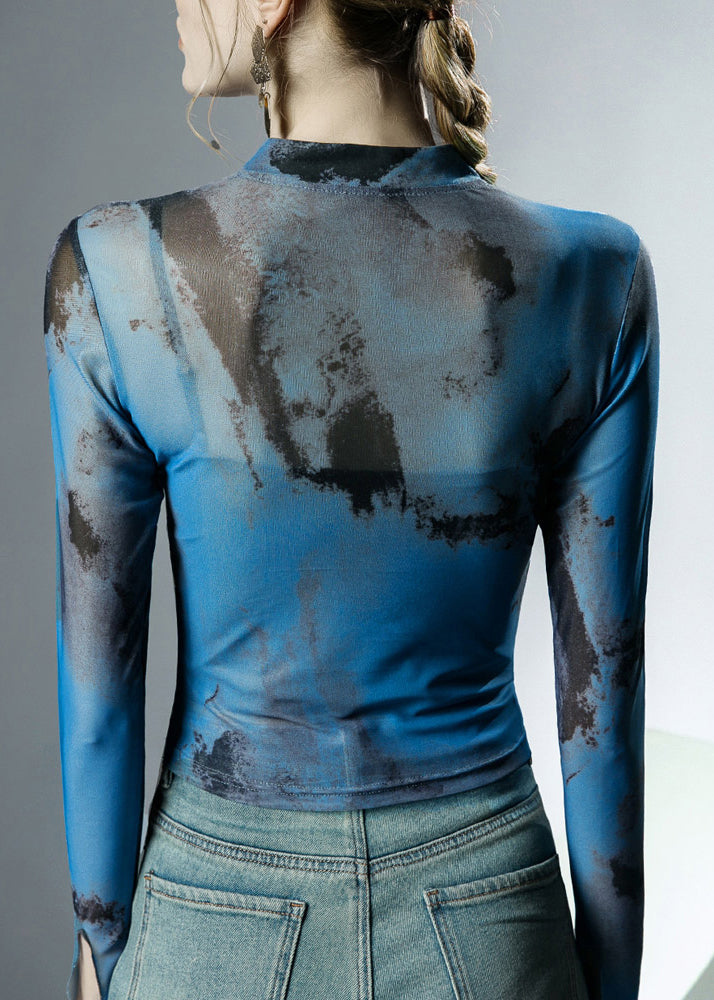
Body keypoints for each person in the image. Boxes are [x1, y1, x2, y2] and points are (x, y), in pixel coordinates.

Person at [42, 0, 659, 998]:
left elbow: (100, 700)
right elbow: (603, 701)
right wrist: (611, 980)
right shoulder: (596, 276)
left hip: (214, 917)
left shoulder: (120, 271)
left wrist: (107, 954)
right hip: (488, 916)